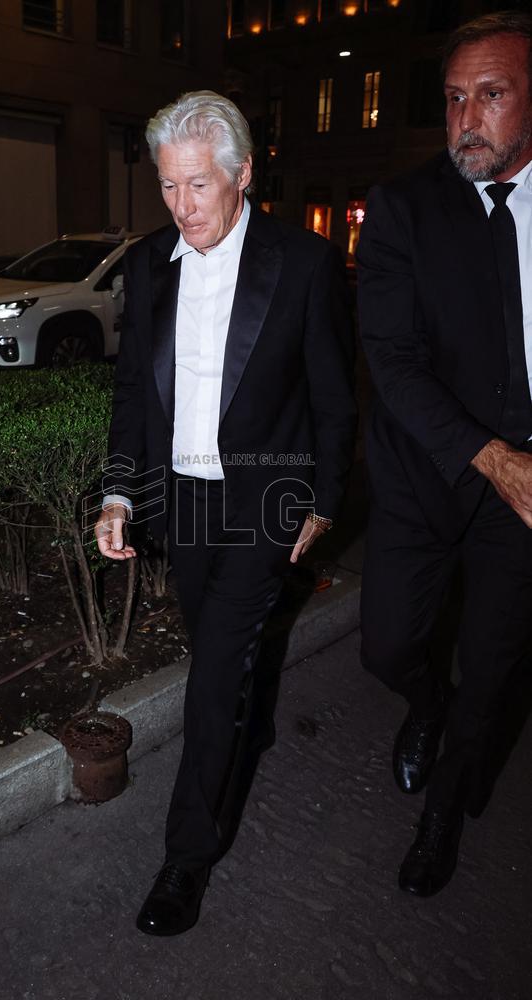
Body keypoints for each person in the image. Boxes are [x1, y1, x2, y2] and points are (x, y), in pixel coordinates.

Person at [94, 91, 356, 936]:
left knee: (210, 681)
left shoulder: (304, 262)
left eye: (199, 186)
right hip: (182, 502)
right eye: (168, 188)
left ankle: (186, 859)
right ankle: (248, 714)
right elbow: (133, 392)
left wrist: (322, 498)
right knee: (218, 650)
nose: (183, 208)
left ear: (242, 174)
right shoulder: (146, 265)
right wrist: (120, 491)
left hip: (264, 498)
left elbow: (332, 395)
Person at [357, 11, 532, 898]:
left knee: (495, 666)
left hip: (526, 496)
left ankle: (440, 820)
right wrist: (494, 457)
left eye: (492, 95)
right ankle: (421, 703)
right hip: (425, 472)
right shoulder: (402, 209)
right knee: (386, 646)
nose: (468, 119)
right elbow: (391, 359)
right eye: (456, 98)